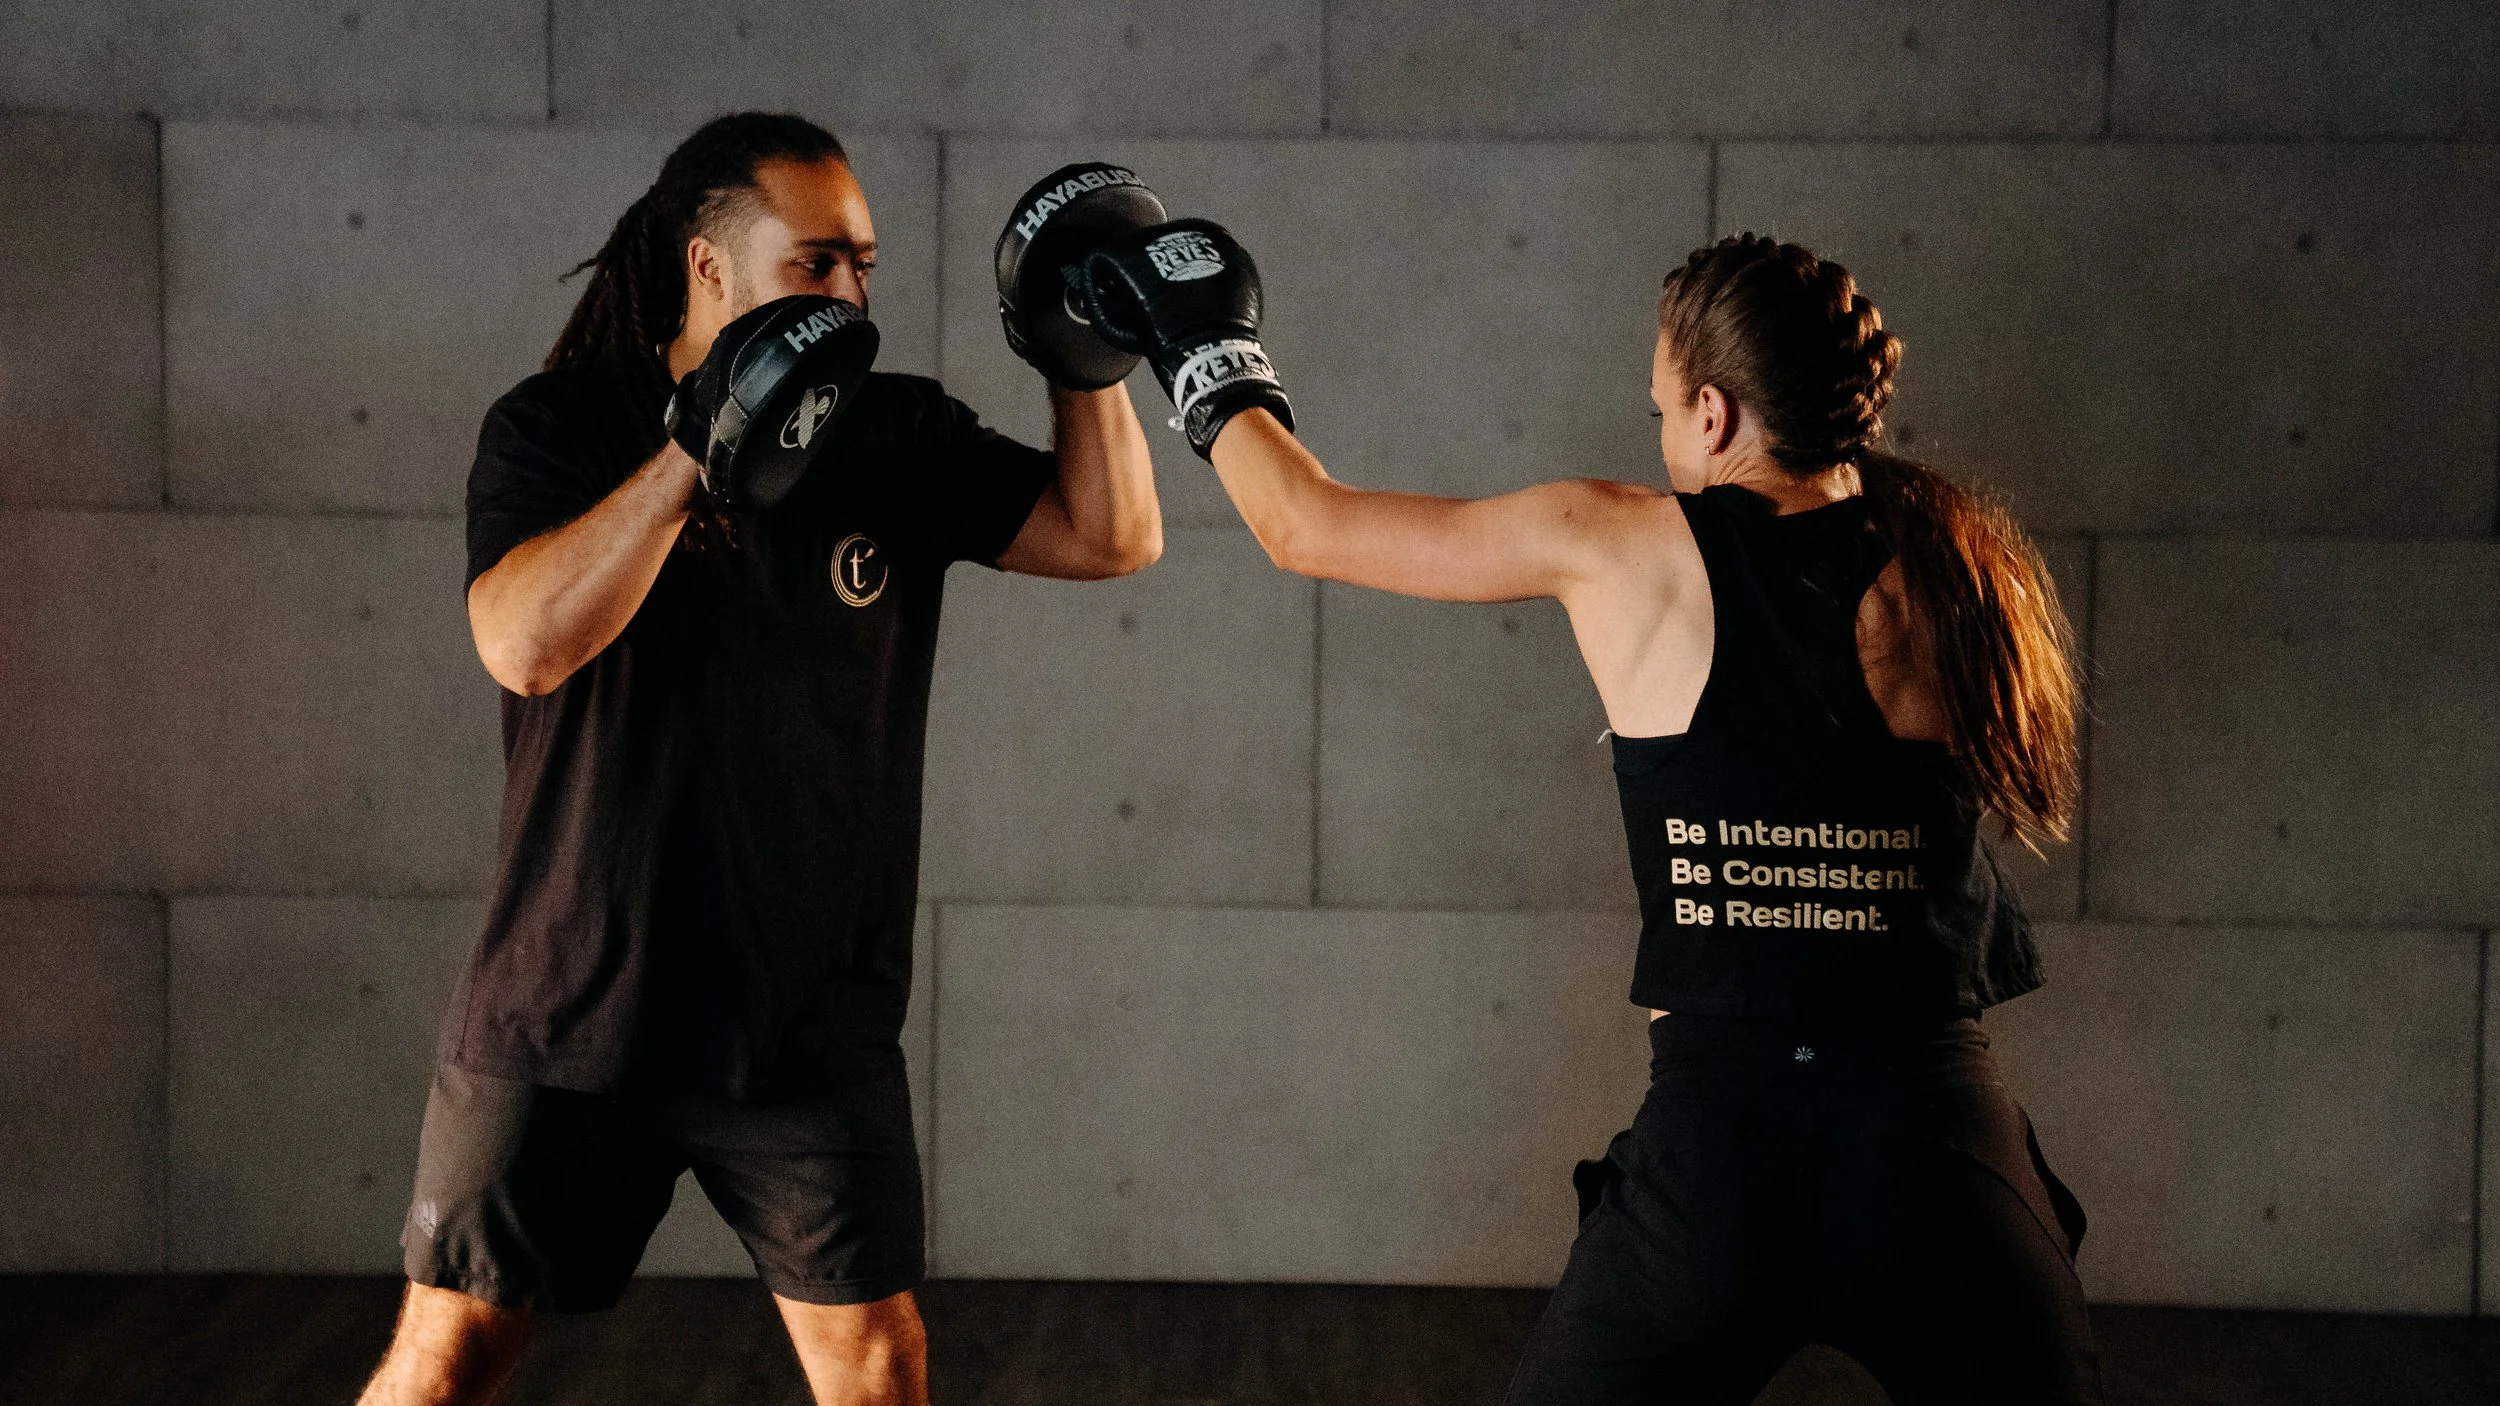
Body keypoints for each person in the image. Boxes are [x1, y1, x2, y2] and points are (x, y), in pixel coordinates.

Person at [1080, 225, 2102, 1402]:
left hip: (1722, 1156)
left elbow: (1303, 524)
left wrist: (1197, 346)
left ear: (1712, 416)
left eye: (1663, 408)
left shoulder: (1618, 544)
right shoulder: (1961, 559)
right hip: (1935, 1153)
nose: (1662, 435)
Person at [359, 114, 1162, 1406]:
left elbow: (1105, 536)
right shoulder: (562, 422)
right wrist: (695, 452)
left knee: (876, 1365)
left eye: (865, 266)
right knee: (444, 1360)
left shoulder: (891, 437)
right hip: (575, 1008)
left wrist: (1086, 368)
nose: (852, 294)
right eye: (817, 264)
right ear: (709, 267)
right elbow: (521, 645)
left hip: (804, 1023)